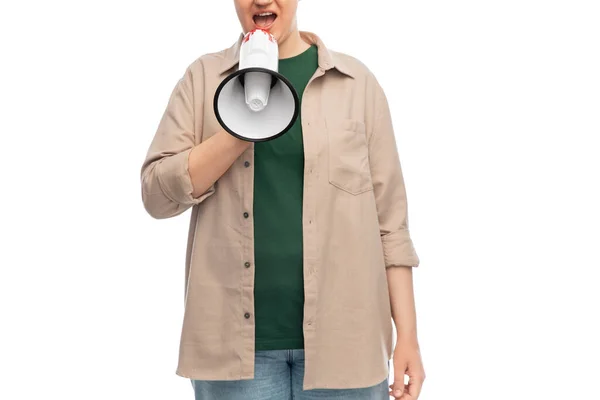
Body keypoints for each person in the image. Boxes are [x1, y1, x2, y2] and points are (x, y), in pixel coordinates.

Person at [140, 0, 425, 399]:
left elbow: (391, 224)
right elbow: (156, 195)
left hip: (347, 346)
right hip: (233, 352)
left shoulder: (356, 84)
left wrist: (407, 338)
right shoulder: (203, 79)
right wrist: (239, 128)